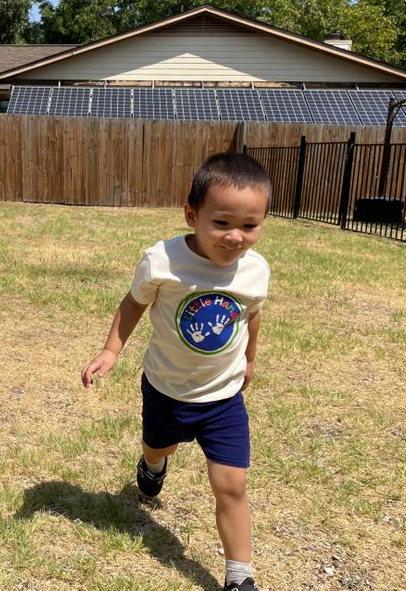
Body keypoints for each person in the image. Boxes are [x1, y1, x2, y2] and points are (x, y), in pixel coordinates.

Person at [81, 153, 271, 591]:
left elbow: (251, 315)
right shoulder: (163, 260)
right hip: (166, 389)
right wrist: (111, 350)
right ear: (192, 214)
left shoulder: (256, 270)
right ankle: (153, 464)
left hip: (223, 399)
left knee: (232, 486)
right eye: (222, 222)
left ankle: (239, 573)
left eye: (250, 225)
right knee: (156, 445)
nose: (235, 237)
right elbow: (134, 303)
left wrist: (251, 359)